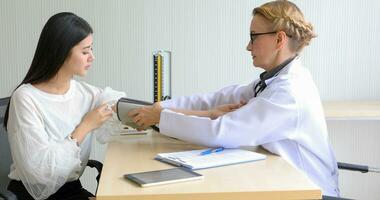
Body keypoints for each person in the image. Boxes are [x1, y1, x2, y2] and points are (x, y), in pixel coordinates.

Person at [129, 0, 339, 197]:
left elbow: (220, 132)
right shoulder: (275, 81)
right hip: (285, 183)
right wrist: (160, 107)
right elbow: (217, 99)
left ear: (279, 39)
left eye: (254, 36)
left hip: (312, 192)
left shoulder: (290, 94)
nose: (248, 46)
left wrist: (161, 117)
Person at [3, 12, 125, 200]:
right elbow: (41, 172)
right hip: (33, 195)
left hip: (71, 191)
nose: (92, 57)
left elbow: (119, 105)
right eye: (85, 51)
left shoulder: (86, 93)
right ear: (61, 52)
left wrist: (155, 112)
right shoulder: (25, 98)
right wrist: (85, 126)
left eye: (91, 49)